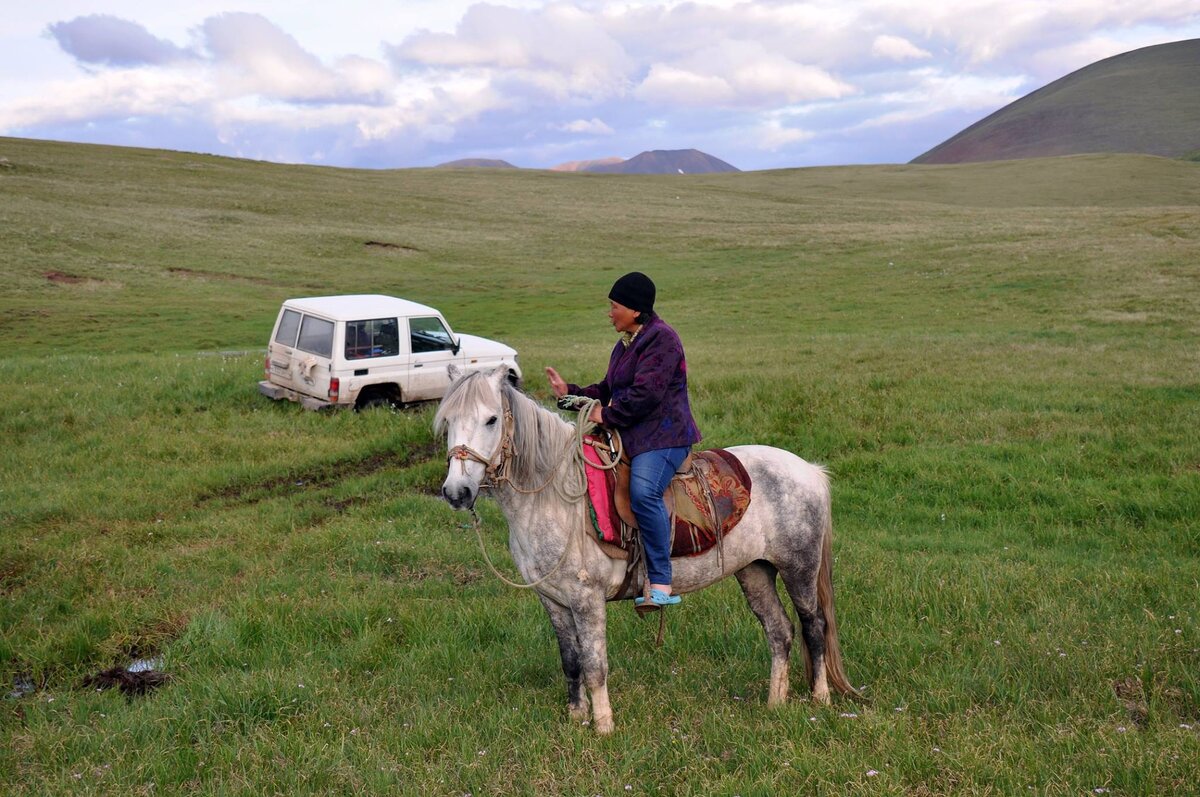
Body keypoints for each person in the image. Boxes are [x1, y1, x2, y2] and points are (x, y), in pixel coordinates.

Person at [545, 272, 702, 609]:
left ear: (633, 309)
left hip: (664, 437)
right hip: (634, 433)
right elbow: (606, 390)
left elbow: (646, 395)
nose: (610, 312)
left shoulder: (663, 340)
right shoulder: (626, 343)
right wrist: (569, 394)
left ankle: (660, 581)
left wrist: (606, 416)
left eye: (614, 305)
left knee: (644, 493)